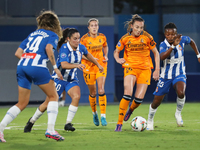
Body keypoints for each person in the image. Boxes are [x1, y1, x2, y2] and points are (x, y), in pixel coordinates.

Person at [0, 10, 64, 142]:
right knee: (53, 96)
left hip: (22, 66)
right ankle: (51, 130)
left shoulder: (32, 34)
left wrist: (29, 60)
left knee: (22, 103)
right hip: (37, 66)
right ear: (54, 23)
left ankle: (0, 128)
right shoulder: (52, 35)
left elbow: (18, 52)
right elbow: (48, 49)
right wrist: (56, 68)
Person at [23, 28, 104, 133]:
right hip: (59, 79)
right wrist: (77, 65)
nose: (78, 40)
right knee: (47, 103)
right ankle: (31, 121)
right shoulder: (64, 48)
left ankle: (68, 123)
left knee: (76, 96)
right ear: (68, 39)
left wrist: (98, 64)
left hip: (71, 79)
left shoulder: (81, 48)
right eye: (75, 39)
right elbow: (64, 64)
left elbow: (87, 54)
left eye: (79, 38)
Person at [146, 22, 200, 130]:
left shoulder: (182, 39)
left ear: (176, 33)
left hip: (179, 74)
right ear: (165, 35)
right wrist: (172, 46)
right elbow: (162, 57)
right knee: (156, 101)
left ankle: (178, 113)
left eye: (172, 34)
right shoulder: (163, 44)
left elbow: (192, 41)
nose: (170, 37)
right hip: (165, 76)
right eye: (168, 34)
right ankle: (150, 120)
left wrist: (198, 55)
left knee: (181, 92)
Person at [113, 14, 160, 131]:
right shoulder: (125, 38)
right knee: (127, 93)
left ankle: (131, 110)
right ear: (131, 26)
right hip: (130, 67)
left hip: (145, 69)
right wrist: (118, 59)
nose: (139, 30)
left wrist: (157, 70)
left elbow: (156, 53)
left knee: (138, 99)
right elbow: (116, 51)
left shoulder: (148, 37)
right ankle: (119, 123)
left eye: (141, 27)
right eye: (137, 27)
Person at [80, 18, 109, 126]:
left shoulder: (102, 37)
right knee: (93, 93)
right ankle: (94, 113)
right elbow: (80, 54)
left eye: (96, 25)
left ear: (98, 26)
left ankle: (103, 116)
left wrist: (105, 55)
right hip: (88, 67)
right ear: (88, 28)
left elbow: (105, 46)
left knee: (101, 90)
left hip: (101, 66)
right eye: (92, 25)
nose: (94, 27)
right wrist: (91, 59)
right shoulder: (84, 39)